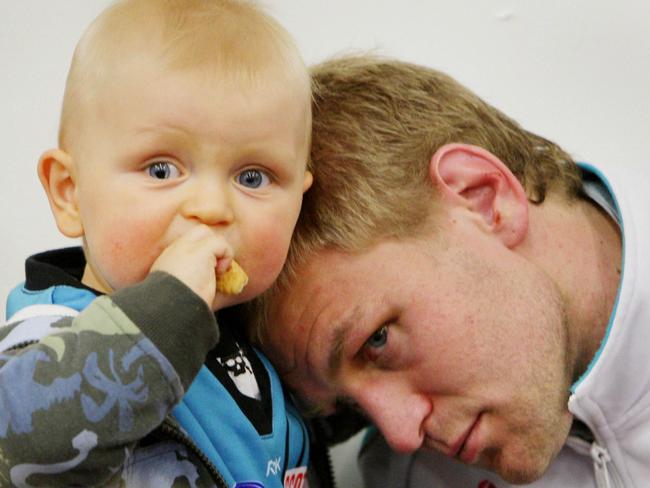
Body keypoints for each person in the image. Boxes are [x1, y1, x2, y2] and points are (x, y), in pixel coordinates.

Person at [250, 55, 649, 487]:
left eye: (378, 340)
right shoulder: (407, 476)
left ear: (483, 197)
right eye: (350, 407)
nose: (401, 432)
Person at [0, 1, 316, 486]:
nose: (212, 208)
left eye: (253, 177)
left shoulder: (256, 341)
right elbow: (14, 441)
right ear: (70, 193)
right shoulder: (49, 332)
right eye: (161, 169)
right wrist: (165, 312)